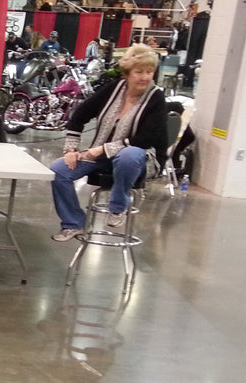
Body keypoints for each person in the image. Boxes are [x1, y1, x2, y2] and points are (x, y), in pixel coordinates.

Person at [48, 43, 169, 241]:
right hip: (103, 154)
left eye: (150, 72)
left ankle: (118, 206)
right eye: (139, 72)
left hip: (141, 157)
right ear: (127, 73)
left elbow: (145, 139)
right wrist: (71, 149)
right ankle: (73, 223)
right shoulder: (114, 89)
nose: (145, 77)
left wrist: (100, 150)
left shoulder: (156, 97)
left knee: (129, 155)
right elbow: (79, 116)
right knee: (58, 170)